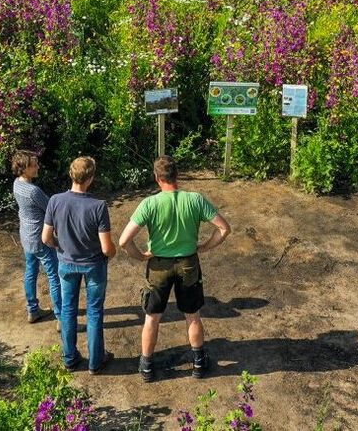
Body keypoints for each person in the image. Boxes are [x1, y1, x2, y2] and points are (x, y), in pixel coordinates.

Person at [119, 156, 231, 382]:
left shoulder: (149, 204)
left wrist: (141, 256)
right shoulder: (195, 199)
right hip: (189, 264)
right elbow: (223, 229)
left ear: (156, 178)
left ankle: (147, 366)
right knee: (192, 315)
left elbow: (123, 241)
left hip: (158, 265)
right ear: (176, 175)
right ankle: (199, 363)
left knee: (152, 317)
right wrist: (203, 247)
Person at [42, 156, 116, 374]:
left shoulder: (55, 200)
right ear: (90, 178)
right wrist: (112, 253)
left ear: (71, 174)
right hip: (93, 265)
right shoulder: (98, 206)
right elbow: (106, 248)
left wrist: (61, 246)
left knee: (68, 310)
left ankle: (70, 358)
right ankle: (95, 362)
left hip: (66, 263)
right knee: (94, 312)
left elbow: (45, 238)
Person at [11, 150, 61, 326]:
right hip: (40, 239)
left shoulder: (17, 184)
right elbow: (51, 208)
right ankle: (61, 318)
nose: (38, 166)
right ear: (24, 168)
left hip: (26, 236)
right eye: (34, 165)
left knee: (31, 272)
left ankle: (32, 310)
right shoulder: (33, 191)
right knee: (54, 276)